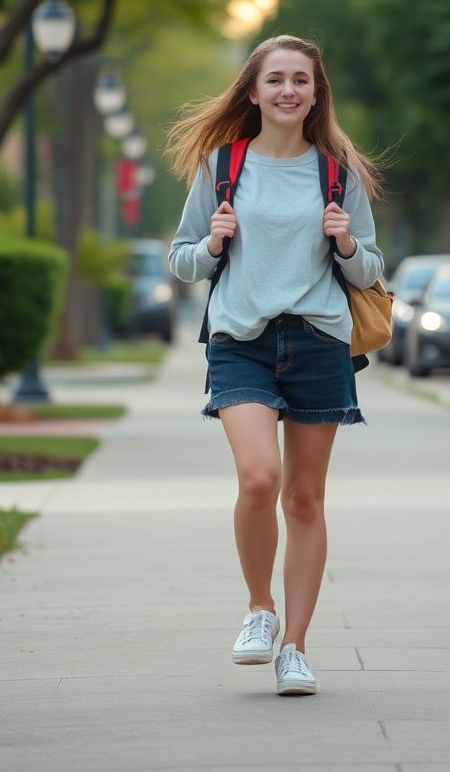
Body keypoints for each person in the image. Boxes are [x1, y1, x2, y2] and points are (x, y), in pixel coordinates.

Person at [164, 34, 385, 697]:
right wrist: (211, 242)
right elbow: (180, 258)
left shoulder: (337, 169)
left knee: (306, 498)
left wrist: (346, 241)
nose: (289, 90)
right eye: (276, 80)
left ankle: (295, 647)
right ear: (254, 91)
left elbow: (372, 267)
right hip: (242, 339)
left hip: (318, 340)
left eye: (301, 80)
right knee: (260, 478)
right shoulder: (221, 166)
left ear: (317, 93)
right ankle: (260, 608)